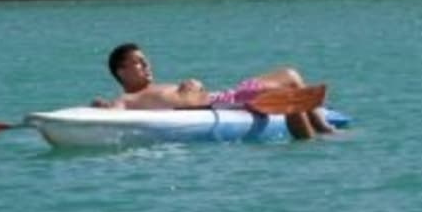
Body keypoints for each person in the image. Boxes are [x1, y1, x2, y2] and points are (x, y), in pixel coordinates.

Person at [94, 43, 330, 138]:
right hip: (222, 103)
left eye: (146, 61)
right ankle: (315, 138)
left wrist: (190, 87)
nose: (146, 66)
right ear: (121, 71)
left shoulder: (156, 88)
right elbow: (115, 111)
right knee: (289, 94)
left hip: (228, 95)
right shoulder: (128, 98)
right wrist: (103, 107)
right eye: (138, 62)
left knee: (290, 74)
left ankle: (321, 128)